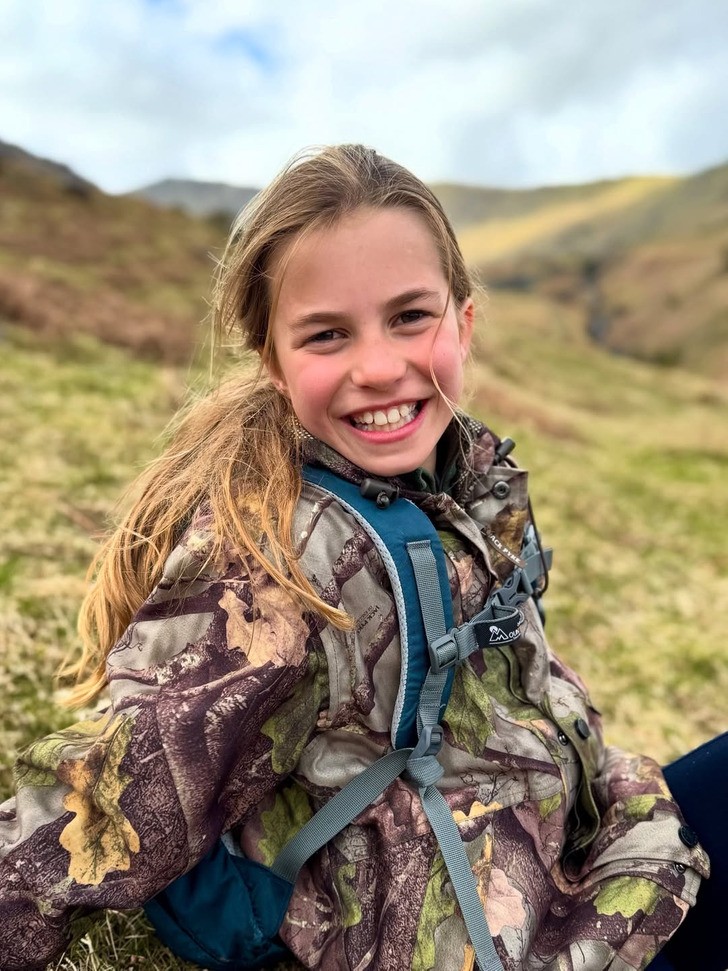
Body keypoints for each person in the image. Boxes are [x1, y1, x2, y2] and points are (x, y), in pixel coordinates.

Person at [0, 144, 720, 971]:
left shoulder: (467, 478)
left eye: (410, 317)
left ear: (463, 322)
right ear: (274, 363)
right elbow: (113, 795)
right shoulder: (280, 559)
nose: (378, 367)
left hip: (593, 859)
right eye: (327, 334)